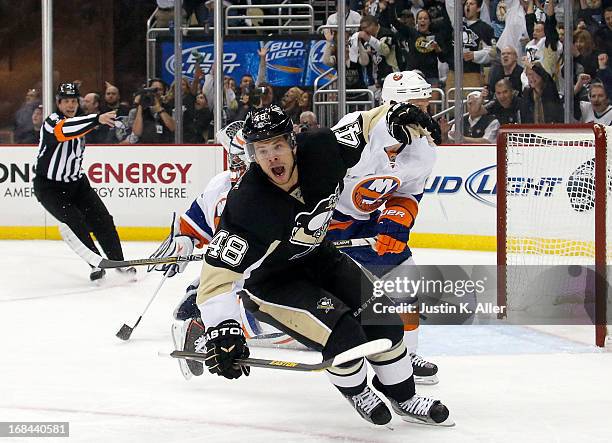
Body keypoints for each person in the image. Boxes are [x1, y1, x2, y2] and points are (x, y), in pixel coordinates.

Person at [167, 104, 453, 426]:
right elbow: (217, 278)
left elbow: (365, 126)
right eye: (262, 150)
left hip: (320, 256)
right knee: (343, 334)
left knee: (384, 321)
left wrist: (394, 116)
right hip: (274, 283)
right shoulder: (248, 205)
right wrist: (223, 328)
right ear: (253, 155)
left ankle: (406, 397)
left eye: (277, 145)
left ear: (292, 142)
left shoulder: (322, 150)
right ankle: (356, 390)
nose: (272, 156)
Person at [326, 71, 441, 385]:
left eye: (426, 104)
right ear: (396, 104)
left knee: (405, 280)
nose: (425, 114)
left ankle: (405, 356)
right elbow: (317, 169)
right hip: (323, 220)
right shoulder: (358, 128)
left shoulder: (424, 149)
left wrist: (395, 224)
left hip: (365, 224)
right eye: (417, 105)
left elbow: (407, 193)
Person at [33, 83, 135, 281]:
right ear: (58, 103)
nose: (70, 105)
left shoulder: (80, 120)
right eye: (66, 101)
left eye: (73, 101)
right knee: (75, 222)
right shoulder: (52, 122)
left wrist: (96, 120)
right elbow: (66, 131)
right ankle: (95, 264)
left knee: (103, 220)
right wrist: (97, 119)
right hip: (49, 188)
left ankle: (118, 261)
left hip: (77, 184)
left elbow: (79, 126)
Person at [132, 78, 176, 144]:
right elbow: (137, 132)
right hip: (146, 145)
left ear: (164, 92)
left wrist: (158, 107)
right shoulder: (142, 109)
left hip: (165, 145)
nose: (156, 92)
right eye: (153, 89)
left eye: (159, 89)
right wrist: (141, 105)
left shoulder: (169, 106)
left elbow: (173, 127)